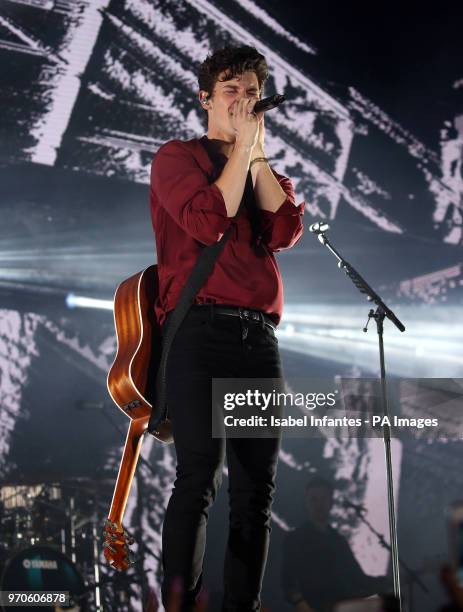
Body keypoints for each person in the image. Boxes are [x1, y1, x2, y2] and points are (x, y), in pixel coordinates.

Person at [149, 45, 305, 611]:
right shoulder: (178, 157)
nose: (244, 100)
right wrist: (240, 151)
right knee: (198, 475)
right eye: (231, 90)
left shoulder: (260, 162)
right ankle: (180, 603)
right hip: (200, 333)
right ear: (206, 98)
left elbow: (285, 230)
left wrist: (257, 154)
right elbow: (209, 222)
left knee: (254, 491)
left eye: (251, 91)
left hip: (257, 339)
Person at [281, 477, 390, 612]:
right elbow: (288, 583)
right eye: (314, 499)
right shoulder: (295, 538)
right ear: (306, 503)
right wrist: (303, 606)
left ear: (331, 503)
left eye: (324, 499)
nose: (319, 505)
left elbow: (360, 579)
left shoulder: (339, 541)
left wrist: (398, 579)